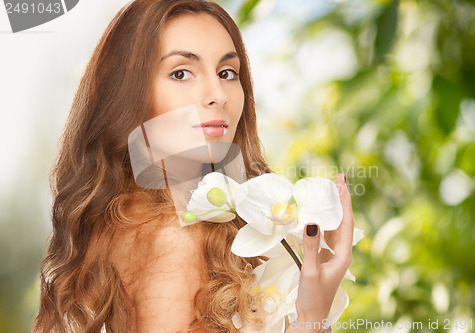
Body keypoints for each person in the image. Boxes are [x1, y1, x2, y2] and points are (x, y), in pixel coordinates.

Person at [33, 0, 354, 332]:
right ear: (128, 95)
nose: (217, 95)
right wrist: (311, 317)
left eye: (227, 73)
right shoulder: (173, 239)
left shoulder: (135, 224)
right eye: (181, 73)